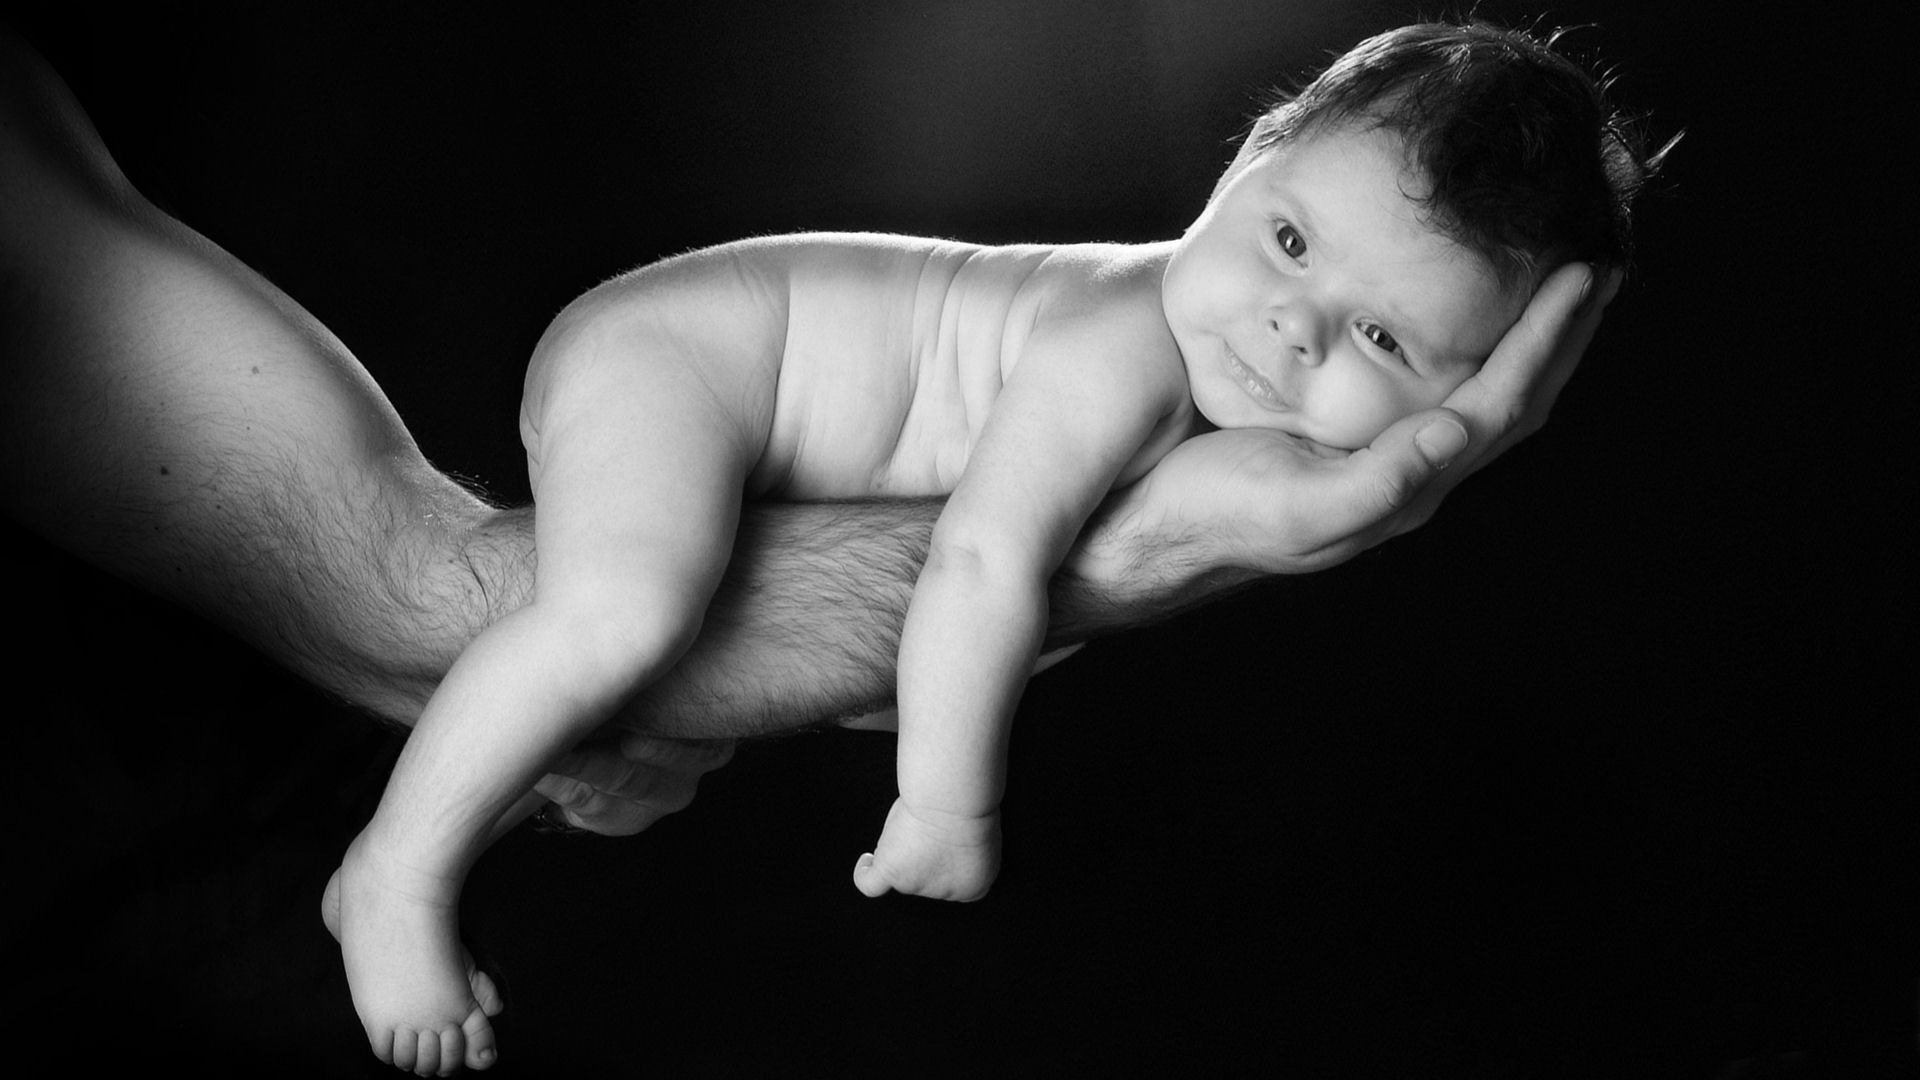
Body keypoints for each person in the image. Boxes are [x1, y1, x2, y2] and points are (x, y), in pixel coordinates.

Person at [0, 19, 1620, 1077]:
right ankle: (390, 877)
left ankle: (507, 795)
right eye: (1285, 241)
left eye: (1386, 347)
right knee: (623, 608)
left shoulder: (1219, 376)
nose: (1291, 328)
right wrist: (945, 800)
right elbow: (983, 568)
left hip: (755, 419)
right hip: (689, 361)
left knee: (654, 714)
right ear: (1246, 161)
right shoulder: (1123, 343)